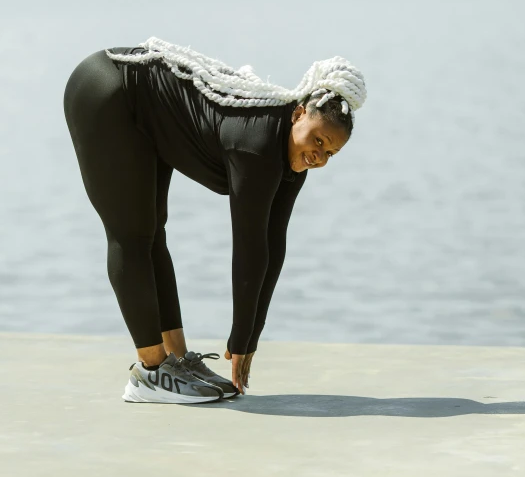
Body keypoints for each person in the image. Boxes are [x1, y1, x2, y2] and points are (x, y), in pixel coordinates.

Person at [63, 37, 367, 404]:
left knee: (151, 232)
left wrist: (249, 338)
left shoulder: (291, 162)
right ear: (299, 114)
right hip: (107, 91)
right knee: (131, 234)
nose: (319, 156)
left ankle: (175, 361)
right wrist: (240, 339)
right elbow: (250, 249)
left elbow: (274, 245)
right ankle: (150, 373)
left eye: (330, 152)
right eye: (318, 141)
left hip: (143, 108)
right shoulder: (255, 147)